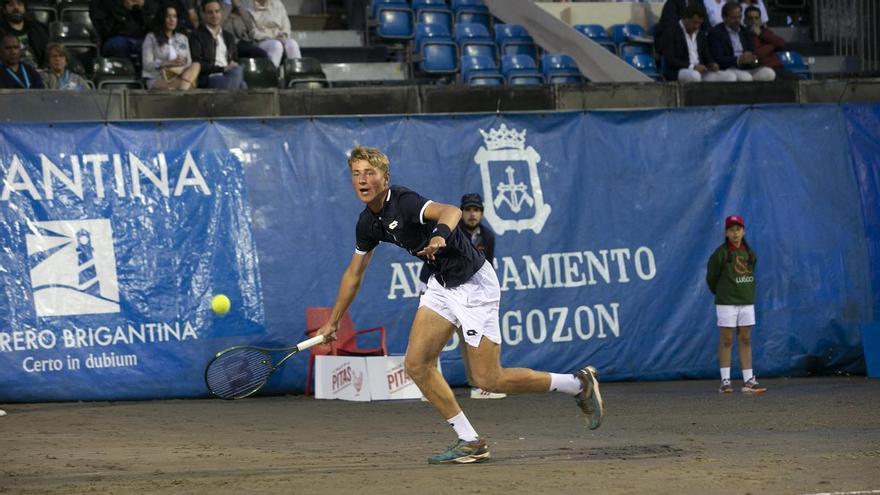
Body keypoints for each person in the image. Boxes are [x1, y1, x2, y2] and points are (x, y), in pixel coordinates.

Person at [314, 146, 604, 465]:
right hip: (442, 284)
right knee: (417, 364)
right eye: (356, 174)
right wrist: (334, 321)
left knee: (488, 379)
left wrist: (439, 238)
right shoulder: (367, 223)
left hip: (473, 284)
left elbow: (450, 211)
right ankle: (470, 440)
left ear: (385, 178)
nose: (362, 180)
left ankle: (577, 384)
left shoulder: (404, 201)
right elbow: (354, 273)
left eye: (369, 173)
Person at [419, 193, 505, 400]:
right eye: (468, 210)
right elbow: (430, 262)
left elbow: (487, 265)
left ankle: (479, 386)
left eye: (476, 210)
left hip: (472, 294)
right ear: (461, 212)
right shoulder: (450, 231)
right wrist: (424, 290)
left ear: (482, 212)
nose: (472, 214)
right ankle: (428, 385)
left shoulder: (488, 236)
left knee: (473, 341)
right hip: (442, 289)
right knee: (433, 339)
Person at [706, 215, 767, 395]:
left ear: (744, 231)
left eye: (738, 229)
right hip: (726, 302)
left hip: (746, 301)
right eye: (731, 230)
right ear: (726, 233)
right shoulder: (721, 253)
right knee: (727, 339)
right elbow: (711, 277)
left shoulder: (750, 252)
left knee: (746, 338)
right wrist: (723, 293)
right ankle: (725, 381)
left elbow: (752, 271)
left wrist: (743, 291)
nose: (735, 233)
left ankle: (748, 381)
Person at [662, 4, 735, 82]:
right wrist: (692, 67)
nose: (697, 26)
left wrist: (712, 63)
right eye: (694, 22)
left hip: (701, 70)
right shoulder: (671, 31)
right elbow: (670, 59)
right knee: (695, 76)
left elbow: (707, 55)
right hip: (679, 71)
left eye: (699, 23)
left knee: (730, 77)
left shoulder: (701, 34)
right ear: (686, 18)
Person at [707, 2, 775, 81]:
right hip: (729, 68)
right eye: (733, 17)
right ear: (724, 17)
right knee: (745, 78)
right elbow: (718, 58)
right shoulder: (716, 32)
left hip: (747, 67)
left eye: (739, 17)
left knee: (769, 73)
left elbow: (752, 51)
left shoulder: (745, 31)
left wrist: (753, 58)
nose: (737, 20)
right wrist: (738, 60)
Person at [189, 0, 245, 89]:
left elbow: (235, 59)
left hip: (229, 74)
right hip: (210, 76)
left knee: (239, 72)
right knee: (242, 86)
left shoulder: (229, 37)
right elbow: (198, 63)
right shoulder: (196, 35)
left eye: (217, 11)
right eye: (210, 12)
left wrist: (233, 64)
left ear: (221, 13)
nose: (214, 15)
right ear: (203, 15)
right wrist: (222, 69)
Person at [141, 4, 200, 89]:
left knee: (196, 64)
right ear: (162, 18)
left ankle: (184, 86)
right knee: (189, 84)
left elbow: (189, 62)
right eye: (168, 16)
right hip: (158, 77)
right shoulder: (151, 37)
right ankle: (185, 87)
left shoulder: (183, 38)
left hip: (180, 74)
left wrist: (181, 62)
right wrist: (167, 62)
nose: (172, 20)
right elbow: (147, 65)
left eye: (174, 17)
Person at [745, 5, 799, 80]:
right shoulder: (744, 35)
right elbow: (756, 54)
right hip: (761, 69)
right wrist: (772, 46)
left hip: (777, 67)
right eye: (750, 18)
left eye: (756, 18)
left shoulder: (765, 32)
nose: (754, 21)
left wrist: (760, 34)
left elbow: (781, 43)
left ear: (760, 20)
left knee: (798, 79)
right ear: (745, 21)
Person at [242, 0, 300, 68]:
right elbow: (252, 31)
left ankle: (297, 73)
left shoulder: (277, 3)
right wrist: (272, 38)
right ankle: (271, 73)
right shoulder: (247, 6)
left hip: (280, 36)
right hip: (261, 40)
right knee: (276, 45)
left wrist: (284, 34)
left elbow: (286, 25)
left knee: (292, 44)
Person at [89, 0, 155, 61]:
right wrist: (124, 8)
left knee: (151, 45)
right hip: (115, 38)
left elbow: (157, 26)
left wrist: (143, 7)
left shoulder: (150, 2)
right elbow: (104, 30)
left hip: (144, 38)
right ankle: (122, 72)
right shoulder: (103, 2)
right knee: (119, 45)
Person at [0, 0, 48, 68]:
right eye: (11, 4)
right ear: (4, 10)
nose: (16, 7)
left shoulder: (38, 30)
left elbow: (47, 55)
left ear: (25, 8)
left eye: (19, 4)